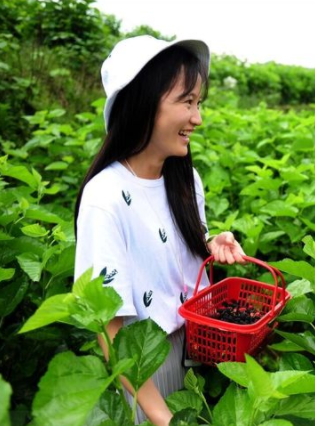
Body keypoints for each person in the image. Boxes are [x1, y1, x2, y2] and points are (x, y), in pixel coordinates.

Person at [74, 35, 245, 425]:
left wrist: (209, 242)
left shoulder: (185, 180)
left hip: (199, 348)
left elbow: (169, 246)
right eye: (187, 102)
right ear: (144, 102)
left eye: (198, 103)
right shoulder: (106, 196)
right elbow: (109, 325)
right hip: (146, 370)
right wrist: (160, 416)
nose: (197, 118)